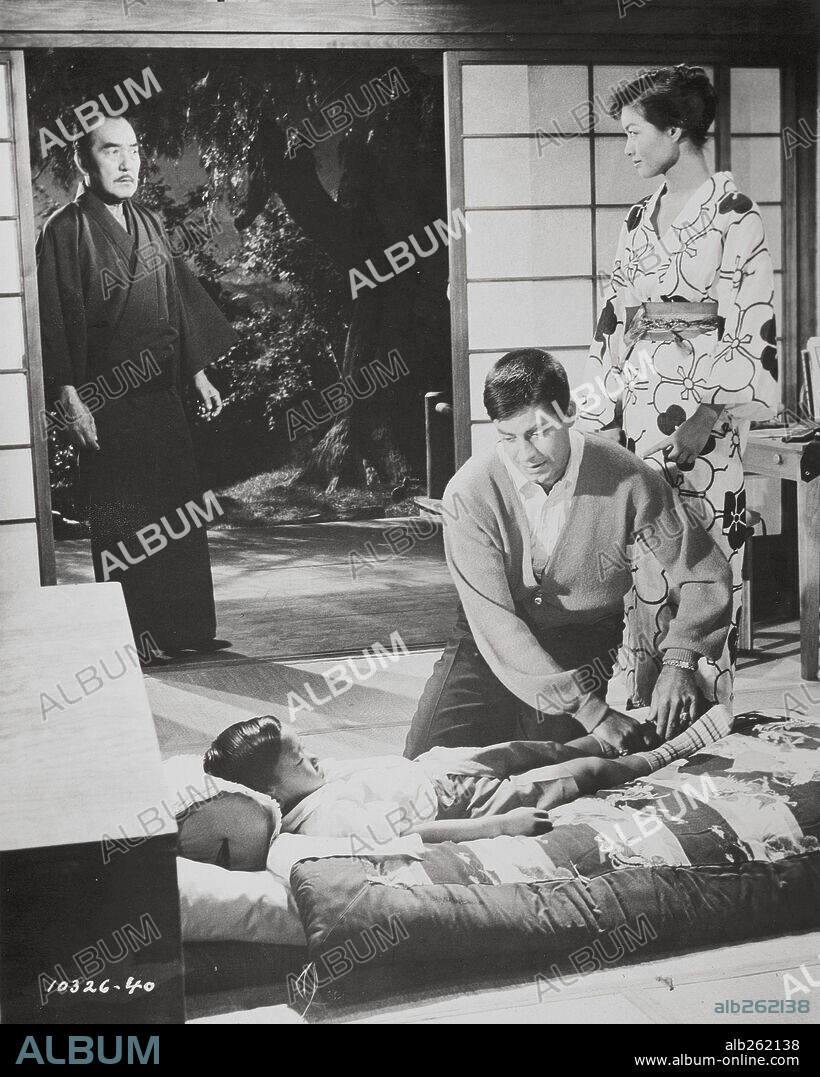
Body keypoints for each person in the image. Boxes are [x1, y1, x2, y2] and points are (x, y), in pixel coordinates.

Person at [403, 349, 734, 760]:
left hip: (584, 638)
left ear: (571, 413)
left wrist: (681, 659)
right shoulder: (469, 492)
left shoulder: (628, 476)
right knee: (430, 764)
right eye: (509, 437)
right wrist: (593, 712)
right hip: (488, 641)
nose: (526, 454)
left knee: (549, 769)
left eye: (539, 431)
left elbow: (704, 570)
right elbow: (498, 626)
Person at [578, 65, 778, 714]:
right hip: (640, 416)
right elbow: (615, 318)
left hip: (705, 432)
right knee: (643, 576)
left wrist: (711, 411)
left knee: (708, 565)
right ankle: (641, 723)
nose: (627, 147)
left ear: (676, 129)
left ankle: (702, 726)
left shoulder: (734, 217)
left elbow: (753, 326)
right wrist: (603, 411)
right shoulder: (639, 218)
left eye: (635, 132)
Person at [37, 116, 237, 662]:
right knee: (126, 520)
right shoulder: (65, 229)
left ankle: (187, 630)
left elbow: (174, 300)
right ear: (83, 160)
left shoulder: (148, 222)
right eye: (111, 151)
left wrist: (196, 370)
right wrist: (69, 397)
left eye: (133, 150)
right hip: (107, 399)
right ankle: (138, 635)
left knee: (177, 513)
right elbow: (53, 320)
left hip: (162, 394)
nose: (127, 164)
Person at [203, 706, 733, 844]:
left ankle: (633, 730)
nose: (312, 757)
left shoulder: (311, 782)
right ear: (272, 790)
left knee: (539, 748)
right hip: (462, 805)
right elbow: (413, 833)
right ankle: (668, 754)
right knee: (577, 774)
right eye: (298, 758)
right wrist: (497, 828)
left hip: (436, 768)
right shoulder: (322, 822)